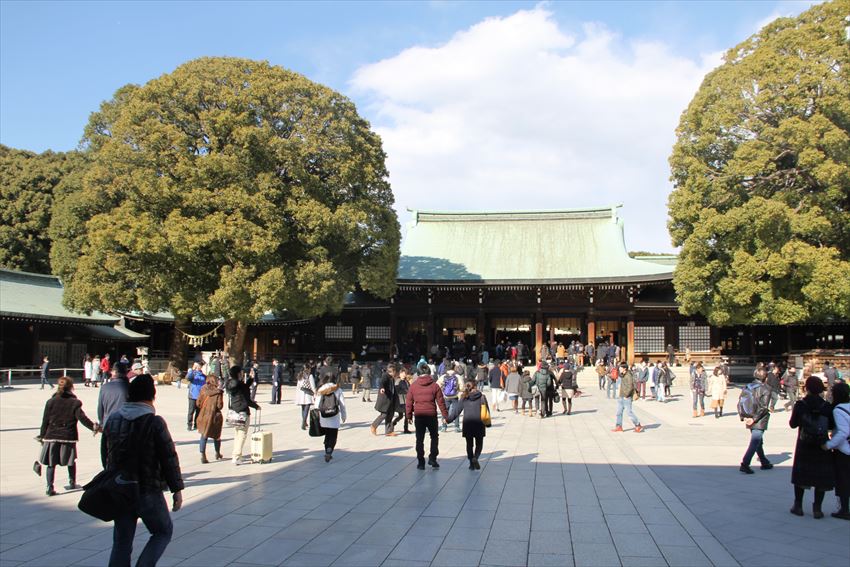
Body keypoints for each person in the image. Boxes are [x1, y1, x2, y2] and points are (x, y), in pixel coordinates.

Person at [102, 374, 183, 567]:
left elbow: (105, 455)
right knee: (162, 531)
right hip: (148, 489)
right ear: (151, 396)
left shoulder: (113, 420)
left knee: (121, 542)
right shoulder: (155, 422)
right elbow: (168, 458)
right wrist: (176, 489)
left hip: (120, 488)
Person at [37, 376, 98, 496]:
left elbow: (45, 421)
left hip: (51, 435)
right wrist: (94, 427)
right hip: (68, 435)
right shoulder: (75, 403)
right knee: (70, 461)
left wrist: (42, 435)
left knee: (51, 463)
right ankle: (72, 481)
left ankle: (49, 487)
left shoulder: (51, 402)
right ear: (71, 387)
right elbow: (83, 419)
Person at [789, 376, 835, 518]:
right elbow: (832, 425)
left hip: (805, 442)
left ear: (806, 388)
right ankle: (817, 508)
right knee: (820, 475)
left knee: (801, 474)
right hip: (821, 443)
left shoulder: (801, 405)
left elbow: (793, 424)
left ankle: (798, 505)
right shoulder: (827, 406)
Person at [406, 364, 449, 470]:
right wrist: (445, 415)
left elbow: (409, 402)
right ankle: (433, 458)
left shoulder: (413, 386)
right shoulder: (435, 386)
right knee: (434, 437)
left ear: (418, 373)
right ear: (429, 372)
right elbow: (441, 402)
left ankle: (421, 462)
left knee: (419, 439)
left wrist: (409, 415)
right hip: (431, 415)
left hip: (419, 415)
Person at [447, 380, 490, 470]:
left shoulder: (464, 397)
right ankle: (476, 457)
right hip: (479, 423)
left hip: (468, 423)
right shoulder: (482, 397)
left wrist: (448, 420)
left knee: (469, 444)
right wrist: (488, 423)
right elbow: (486, 410)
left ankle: (471, 463)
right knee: (479, 444)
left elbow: (457, 411)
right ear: (475, 386)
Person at [739, 368, 774, 474]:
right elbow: (763, 407)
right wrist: (754, 419)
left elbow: (740, 402)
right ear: (766, 377)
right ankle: (745, 463)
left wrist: (744, 416)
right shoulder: (766, 389)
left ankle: (764, 461)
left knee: (758, 441)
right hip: (758, 418)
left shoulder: (747, 386)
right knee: (755, 441)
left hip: (748, 415)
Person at [226, 365, 260, 465]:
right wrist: (256, 406)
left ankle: (235, 454)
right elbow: (247, 399)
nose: (242, 374)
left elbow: (244, 387)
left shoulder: (230, 384)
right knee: (242, 435)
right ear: (238, 373)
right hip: (242, 411)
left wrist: (251, 378)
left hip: (233, 412)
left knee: (237, 434)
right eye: (241, 372)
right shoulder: (240, 385)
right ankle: (236, 456)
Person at [826, 382, 850, 520]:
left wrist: (829, 445)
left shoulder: (838, 410)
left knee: (843, 480)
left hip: (844, 450)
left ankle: (845, 509)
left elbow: (842, 433)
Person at [314, 373, 347, 462]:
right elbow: (342, 404)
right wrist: (344, 415)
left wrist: (317, 414)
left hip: (324, 415)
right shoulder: (337, 389)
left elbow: (317, 404)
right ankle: (329, 450)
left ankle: (326, 449)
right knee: (333, 434)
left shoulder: (321, 389)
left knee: (327, 434)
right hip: (334, 415)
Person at [196, 374, 224, 463]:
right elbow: (220, 406)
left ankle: (203, 455)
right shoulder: (218, 392)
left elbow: (198, 403)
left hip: (204, 415)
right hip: (214, 416)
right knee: (217, 435)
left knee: (204, 435)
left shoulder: (203, 389)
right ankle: (217, 453)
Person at [611, 363, 643, 433]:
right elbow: (616, 375)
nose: (619, 369)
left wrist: (626, 395)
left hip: (626, 397)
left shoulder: (628, 376)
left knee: (629, 412)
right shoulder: (623, 375)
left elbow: (630, 387)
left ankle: (638, 425)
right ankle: (619, 426)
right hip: (621, 396)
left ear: (625, 368)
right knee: (619, 412)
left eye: (620, 368)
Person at [371, 364, 399, 436]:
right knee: (384, 414)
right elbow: (382, 382)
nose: (395, 373)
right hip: (385, 400)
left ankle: (388, 431)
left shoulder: (391, 378)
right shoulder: (385, 376)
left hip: (391, 399)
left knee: (390, 415)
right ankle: (374, 425)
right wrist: (382, 388)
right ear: (392, 371)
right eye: (394, 372)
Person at [437, 362, 462, 432]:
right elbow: (462, 387)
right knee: (456, 411)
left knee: (445, 411)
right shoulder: (457, 376)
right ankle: (457, 427)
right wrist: (458, 389)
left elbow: (437, 385)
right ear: (454, 367)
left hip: (446, 397)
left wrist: (443, 389)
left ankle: (444, 427)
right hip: (455, 396)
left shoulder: (443, 376)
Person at [185, 362, 206, 431]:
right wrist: (192, 370)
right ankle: (189, 424)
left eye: (200, 366)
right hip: (192, 396)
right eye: (198, 366)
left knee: (199, 412)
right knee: (191, 411)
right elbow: (187, 378)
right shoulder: (193, 374)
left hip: (200, 397)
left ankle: (196, 425)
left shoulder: (203, 376)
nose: (199, 367)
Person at [294, 366, 317, 430]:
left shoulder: (300, 375)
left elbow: (298, 386)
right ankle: (303, 423)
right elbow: (313, 386)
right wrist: (315, 393)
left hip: (301, 394)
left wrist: (297, 395)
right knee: (307, 409)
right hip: (308, 394)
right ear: (309, 369)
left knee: (303, 409)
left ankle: (304, 422)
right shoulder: (310, 376)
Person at [392, 367, 412, 434]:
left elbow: (409, 389)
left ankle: (406, 429)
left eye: (405, 373)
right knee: (401, 415)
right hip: (400, 401)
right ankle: (393, 423)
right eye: (402, 373)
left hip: (406, 400)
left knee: (406, 414)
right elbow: (397, 391)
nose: (404, 374)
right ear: (399, 374)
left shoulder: (406, 381)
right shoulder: (398, 381)